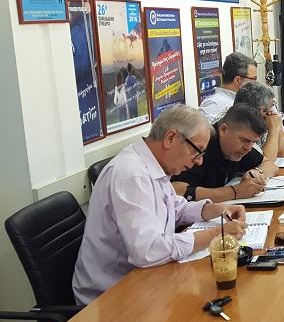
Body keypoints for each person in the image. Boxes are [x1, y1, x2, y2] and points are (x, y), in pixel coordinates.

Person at [72, 105, 248, 305]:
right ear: (170, 138)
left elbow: (174, 208)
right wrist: (217, 234)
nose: (199, 162)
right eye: (196, 151)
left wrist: (215, 209)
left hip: (146, 281)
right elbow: (148, 251)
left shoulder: (154, 165)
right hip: (110, 299)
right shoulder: (131, 175)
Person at [171, 104, 278, 202]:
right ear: (223, 130)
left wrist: (257, 173)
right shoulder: (201, 146)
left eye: (253, 142)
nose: (248, 148)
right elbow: (177, 190)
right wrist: (235, 192)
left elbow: (270, 165)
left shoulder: (237, 147)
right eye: (244, 140)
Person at [200, 52, 257, 123]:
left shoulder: (242, 100)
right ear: (238, 80)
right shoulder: (214, 105)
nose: (255, 83)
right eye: (253, 79)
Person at [233, 81, 284, 159]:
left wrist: (278, 126)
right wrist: (273, 129)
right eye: (266, 109)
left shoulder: (260, 120)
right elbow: (265, 161)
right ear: (255, 110)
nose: (270, 112)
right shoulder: (239, 124)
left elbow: (280, 153)